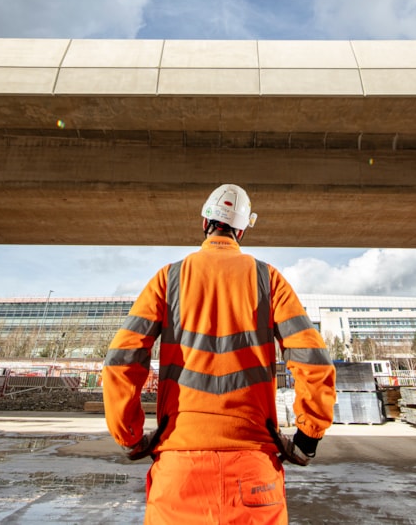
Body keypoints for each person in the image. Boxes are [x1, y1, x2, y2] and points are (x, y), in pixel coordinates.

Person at [103, 184, 336, 524]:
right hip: (254, 469)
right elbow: (313, 360)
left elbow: (121, 359)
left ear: (204, 222)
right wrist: (307, 438)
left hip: (179, 470)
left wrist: (131, 437)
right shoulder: (268, 279)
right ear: (241, 230)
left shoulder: (168, 279)